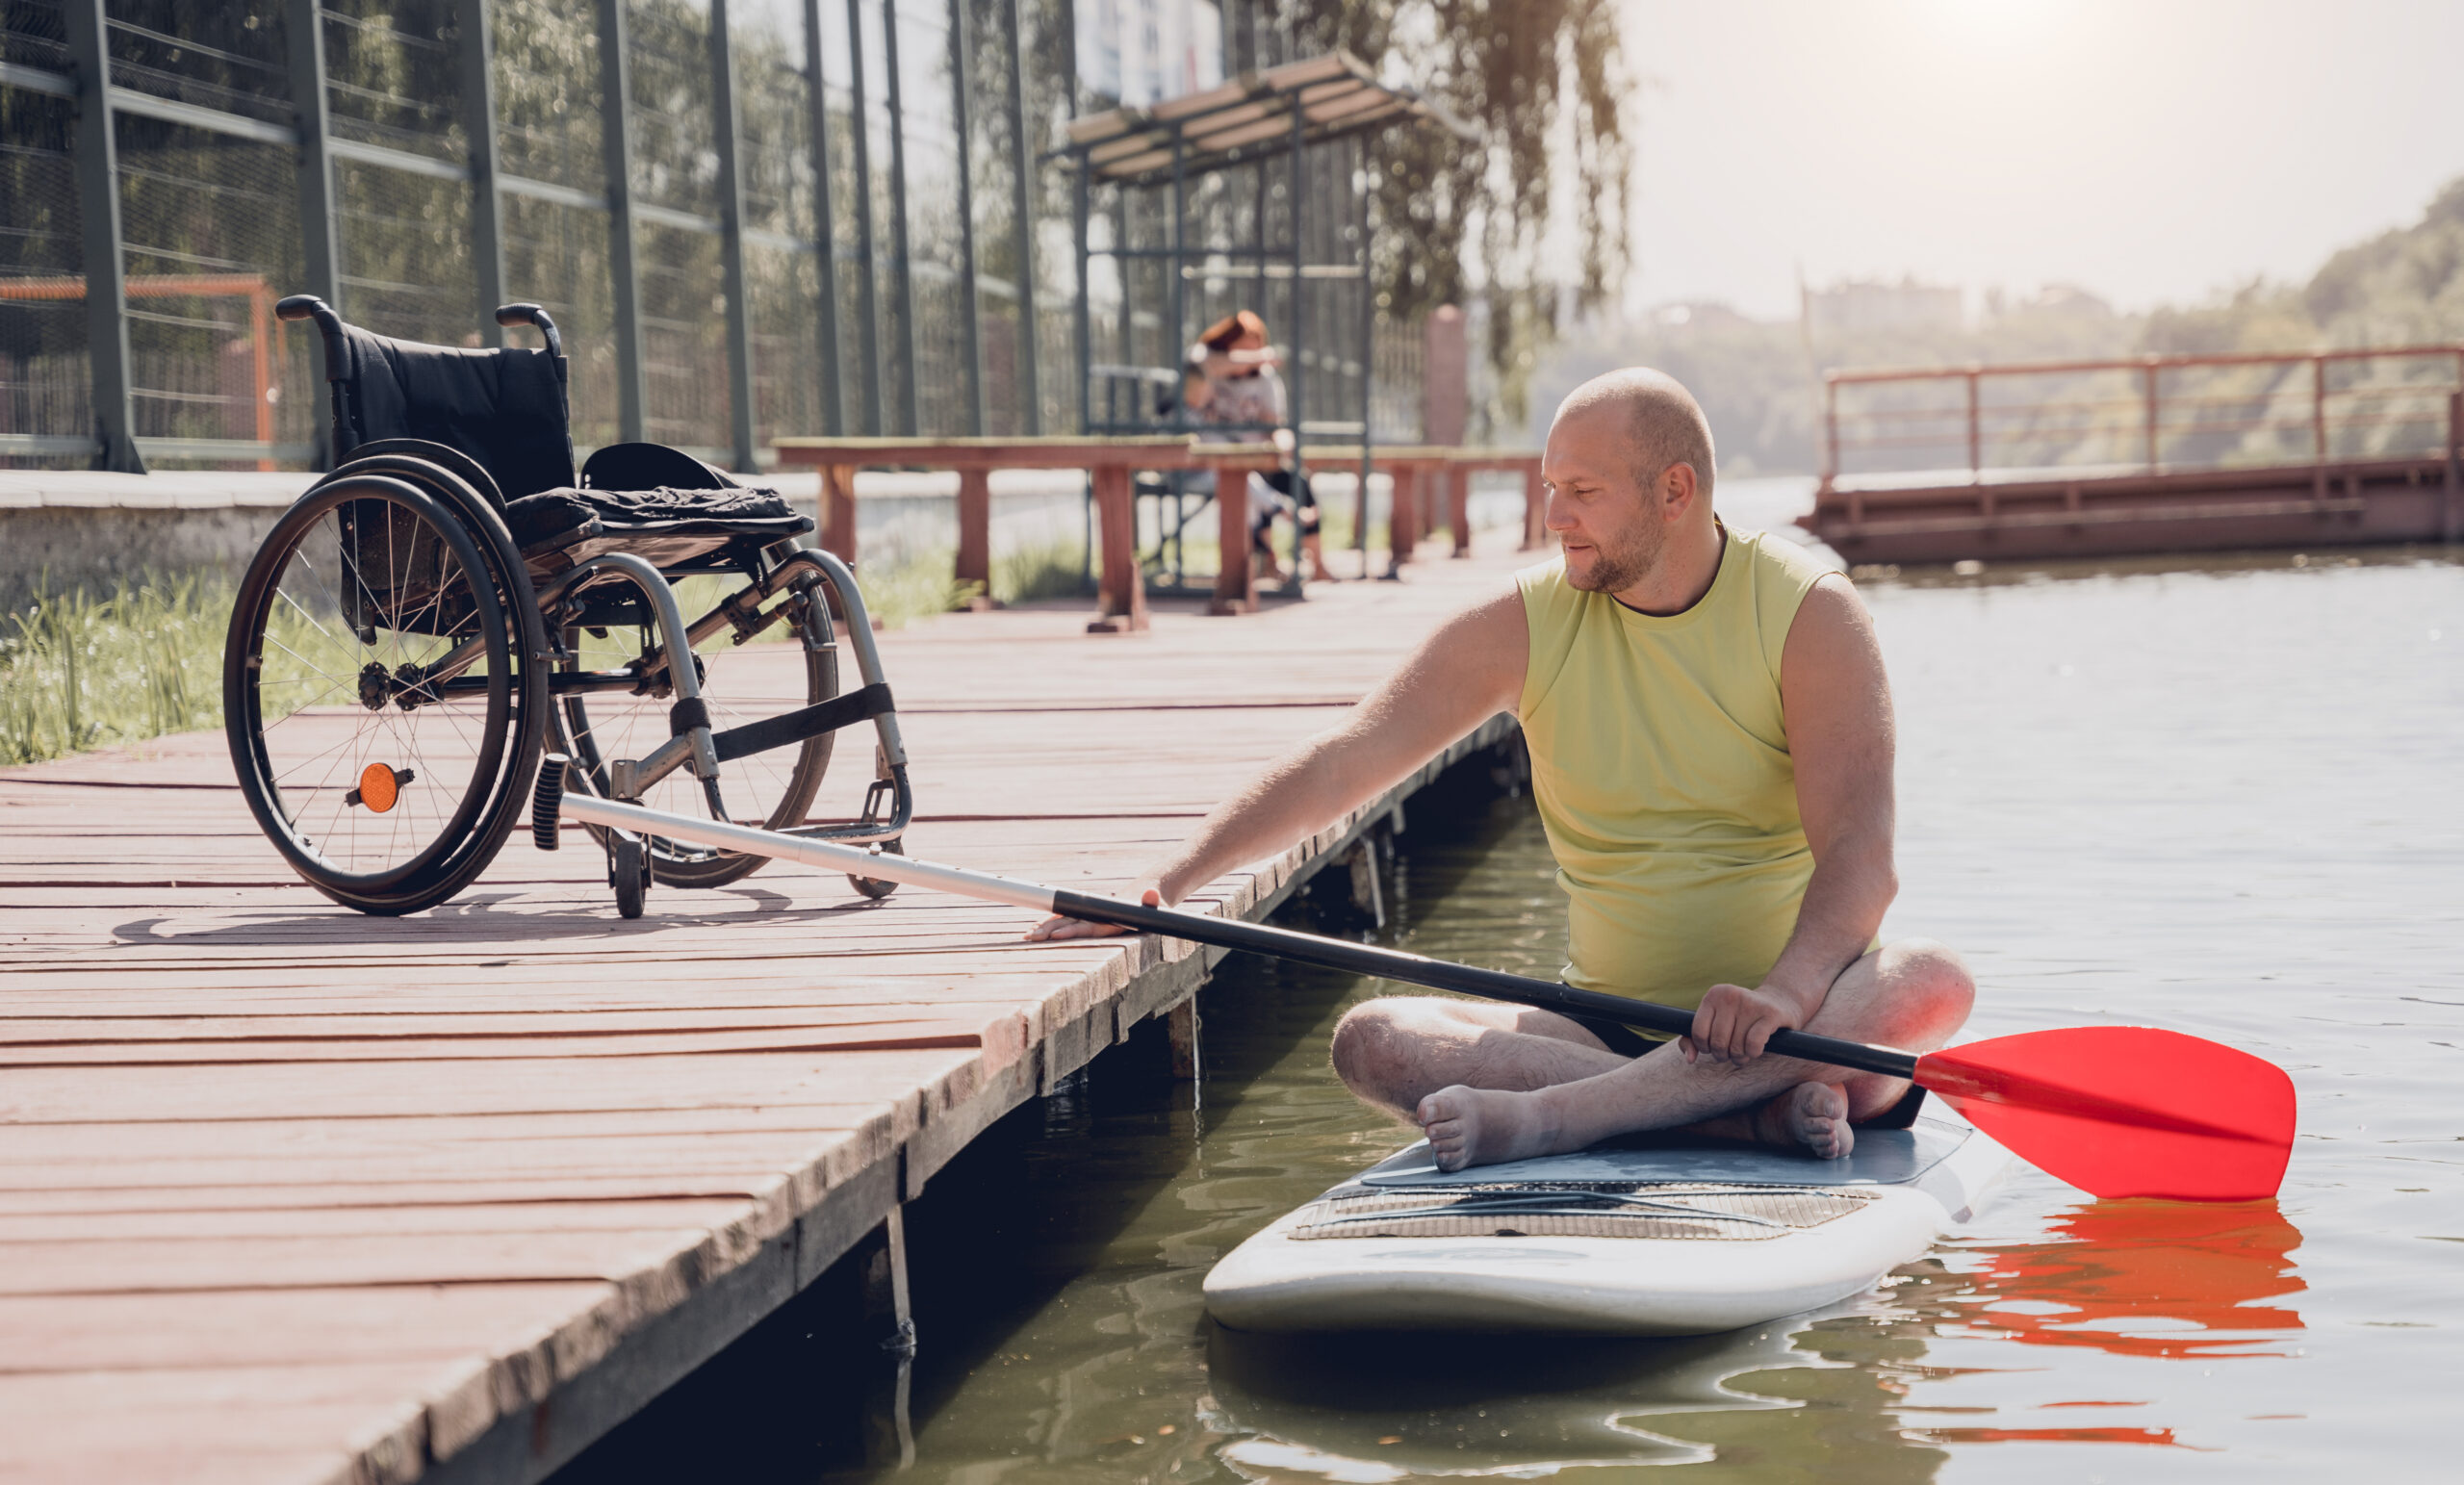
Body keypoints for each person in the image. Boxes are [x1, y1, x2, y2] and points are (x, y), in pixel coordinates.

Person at [1031, 368, 1975, 1171]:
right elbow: (1344, 760)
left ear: (1674, 490)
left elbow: (1861, 855)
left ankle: (1566, 1122)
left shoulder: (1810, 613)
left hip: (1802, 1026)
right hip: (1600, 1035)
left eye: (1581, 490)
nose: (1551, 515)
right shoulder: (1524, 625)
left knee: (1927, 981)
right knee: (1374, 1040)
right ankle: (1737, 1120)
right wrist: (1168, 882)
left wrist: (1780, 995)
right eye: (1548, 485)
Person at [1187, 310, 1336, 584]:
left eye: (1255, 348)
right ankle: (1267, 559)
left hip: (1258, 459)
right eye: (1242, 348)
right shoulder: (1204, 367)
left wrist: (1282, 447)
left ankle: (1317, 564)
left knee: (1298, 481)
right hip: (1216, 461)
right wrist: (1259, 356)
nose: (1250, 357)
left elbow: (1274, 425)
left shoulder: (1265, 379)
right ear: (1227, 344)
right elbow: (1199, 361)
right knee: (1244, 487)